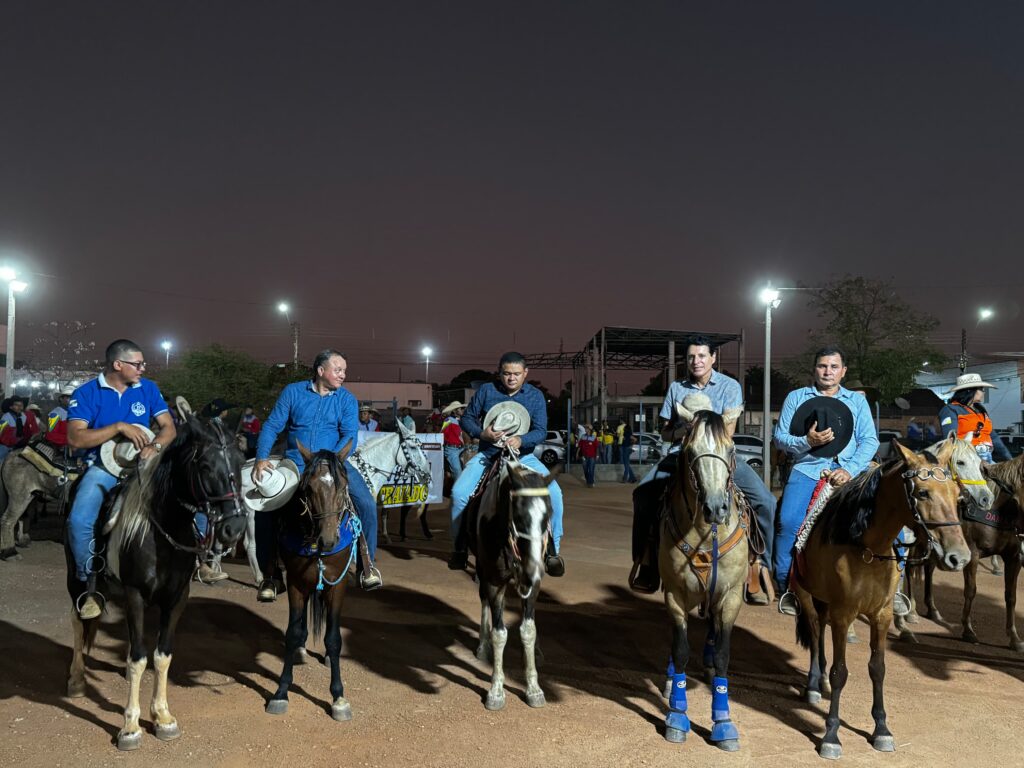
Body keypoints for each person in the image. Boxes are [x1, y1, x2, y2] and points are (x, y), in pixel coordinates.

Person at [630, 337, 777, 602]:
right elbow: (664, 433)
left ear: (713, 358)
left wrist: (698, 429)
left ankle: (758, 565)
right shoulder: (676, 388)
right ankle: (647, 562)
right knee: (642, 495)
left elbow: (728, 432)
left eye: (701, 356)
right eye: (690, 357)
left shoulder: (729, 386)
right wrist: (681, 430)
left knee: (765, 502)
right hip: (681, 454)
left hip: (721, 455)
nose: (695, 361)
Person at [254, 349, 382, 599]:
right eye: (338, 369)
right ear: (321, 371)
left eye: (344, 370)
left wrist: (327, 462)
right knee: (264, 510)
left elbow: (349, 436)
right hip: (296, 463)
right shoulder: (293, 392)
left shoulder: (346, 399)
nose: (343, 375)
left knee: (366, 503)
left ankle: (367, 566)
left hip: (333, 464)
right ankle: (270, 576)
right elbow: (272, 426)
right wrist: (261, 458)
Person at [66, 339, 176, 619]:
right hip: (103, 467)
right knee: (79, 520)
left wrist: (156, 447)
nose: (143, 368)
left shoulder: (148, 389)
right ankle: (89, 583)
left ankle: (198, 561)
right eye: (137, 364)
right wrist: (118, 427)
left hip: (145, 467)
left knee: (188, 502)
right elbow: (75, 438)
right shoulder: (87, 393)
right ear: (118, 365)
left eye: (143, 364)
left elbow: (168, 428)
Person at [773, 347, 879, 615]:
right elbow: (780, 438)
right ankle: (786, 585)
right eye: (822, 366)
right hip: (808, 468)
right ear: (814, 369)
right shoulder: (796, 397)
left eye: (834, 366)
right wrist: (806, 441)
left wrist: (851, 469)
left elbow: (870, 440)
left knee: (887, 521)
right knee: (788, 521)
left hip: (850, 470)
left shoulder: (857, 401)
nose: (828, 371)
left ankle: (894, 586)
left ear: (843, 371)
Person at [448, 351, 565, 576]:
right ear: (499, 373)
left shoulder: (535, 396)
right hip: (488, 455)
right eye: (507, 373)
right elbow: (467, 419)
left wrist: (522, 439)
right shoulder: (486, 391)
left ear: (525, 374)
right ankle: (459, 548)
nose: (511, 378)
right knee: (459, 493)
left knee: (555, 494)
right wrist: (483, 434)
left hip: (525, 457)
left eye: (516, 374)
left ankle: (552, 552)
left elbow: (540, 430)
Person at [939, 373, 1012, 464]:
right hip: (966, 460)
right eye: (981, 389)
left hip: (987, 457)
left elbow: (994, 437)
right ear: (970, 391)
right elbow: (950, 439)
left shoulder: (981, 411)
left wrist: (1009, 459)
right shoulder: (950, 410)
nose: (984, 392)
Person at [441, 400, 469, 481]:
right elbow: (442, 433)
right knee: (458, 472)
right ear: (455, 411)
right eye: (460, 408)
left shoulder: (460, 421)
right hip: (452, 449)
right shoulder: (448, 420)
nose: (462, 410)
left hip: (461, 448)